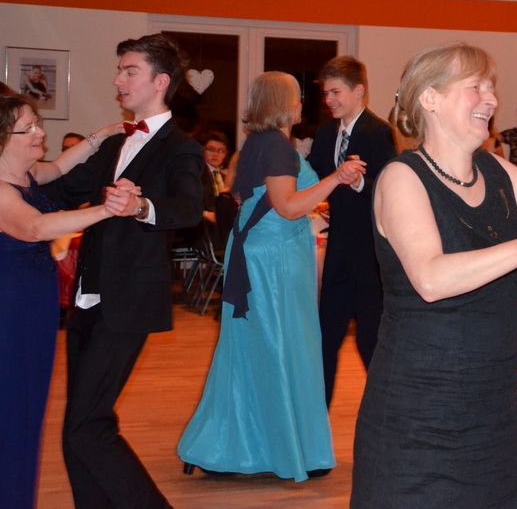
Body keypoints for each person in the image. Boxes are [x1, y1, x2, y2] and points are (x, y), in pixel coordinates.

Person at [351, 43, 517, 507]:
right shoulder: (402, 177)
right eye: (476, 86)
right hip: (417, 421)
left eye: (492, 87)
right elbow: (431, 278)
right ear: (430, 98)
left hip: (497, 415)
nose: (492, 99)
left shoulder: (496, 170)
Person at [45, 33, 206, 508]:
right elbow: (59, 190)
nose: (118, 79)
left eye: (129, 70)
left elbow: (187, 208)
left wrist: (141, 206)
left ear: (160, 82)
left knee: (86, 426)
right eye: (119, 69)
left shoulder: (181, 148)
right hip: (88, 298)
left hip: (128, 302)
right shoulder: (117, 141)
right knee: (80, 425)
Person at [179, 72, 360, 481]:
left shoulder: (258, 142)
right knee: (281, 347)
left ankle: (233, 446)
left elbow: (246, 197)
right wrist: (336, 178)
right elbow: (288, 207)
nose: (301, 104)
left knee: (256, 349)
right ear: (284, 103)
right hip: (273, 259)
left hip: (262, 250)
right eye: (297, 97)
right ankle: (280, 449)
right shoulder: (276, 145)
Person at [0, 96, 124, 509]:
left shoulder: (26, 172)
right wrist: (106, 210)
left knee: (28, 407)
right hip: (8, 311)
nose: (41, 132)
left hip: (35, 306)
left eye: (37, 122)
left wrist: (101, 136)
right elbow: (36, 227)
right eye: (30, 128)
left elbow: (58, 167)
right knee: (10, 408)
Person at [308, 56, 397, 408]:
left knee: (369, 341)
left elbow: (390, 189)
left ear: (358, 91)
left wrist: (359, 182)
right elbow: (313, 178)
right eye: (326, 93)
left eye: (335, 92)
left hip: (370, 255)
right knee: (326, 337)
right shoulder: (325, 133)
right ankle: (316, 422)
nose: (328, 100)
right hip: (337, 252)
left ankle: (386, 416)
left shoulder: (377, 131)